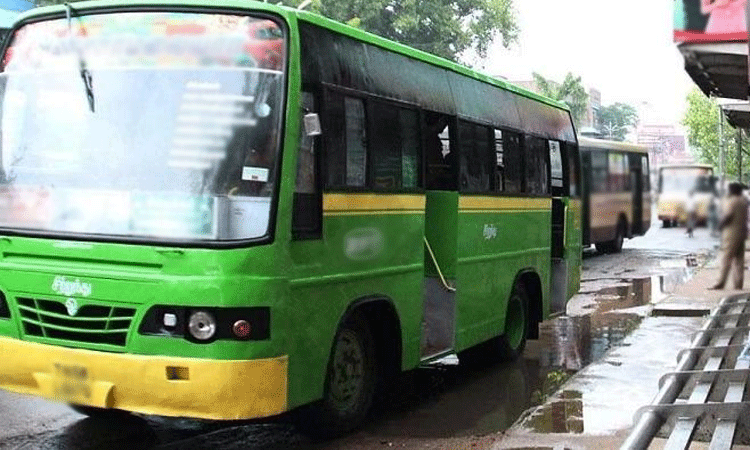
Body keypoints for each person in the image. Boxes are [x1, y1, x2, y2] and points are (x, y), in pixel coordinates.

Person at [710, 182, 749, 290]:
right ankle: (738, 285)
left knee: (726, 259)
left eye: (730, 189)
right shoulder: (743, 201)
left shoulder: (732, 201)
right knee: (739, 261)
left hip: (731, 234)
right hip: (742, 233)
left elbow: (728, 216)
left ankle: (720, 283)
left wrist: (718, 227)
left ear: (733, 190)